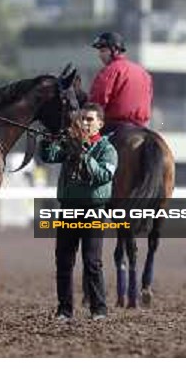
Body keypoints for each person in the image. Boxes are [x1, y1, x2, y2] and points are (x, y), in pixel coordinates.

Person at [40, 103, 118, 321]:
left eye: (90, 120)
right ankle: (64, 310)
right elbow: (49, 156)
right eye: (82, 119)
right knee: (63, 261)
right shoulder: (70, 144)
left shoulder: (107, 150)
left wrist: (84, 155)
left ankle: (99, 310)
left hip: (93, 211)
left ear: (100, 124)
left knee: (92, 262)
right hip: (68, 209)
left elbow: (104, 176)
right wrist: (47, 139)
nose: (85, 123)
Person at [88, 32, 153, 135]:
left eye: (103, 51)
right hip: (143, 127)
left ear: (115, 50)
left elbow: (97, 101)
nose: (100, 55)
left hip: (114, 127)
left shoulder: (109, 71)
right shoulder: (144, 72)